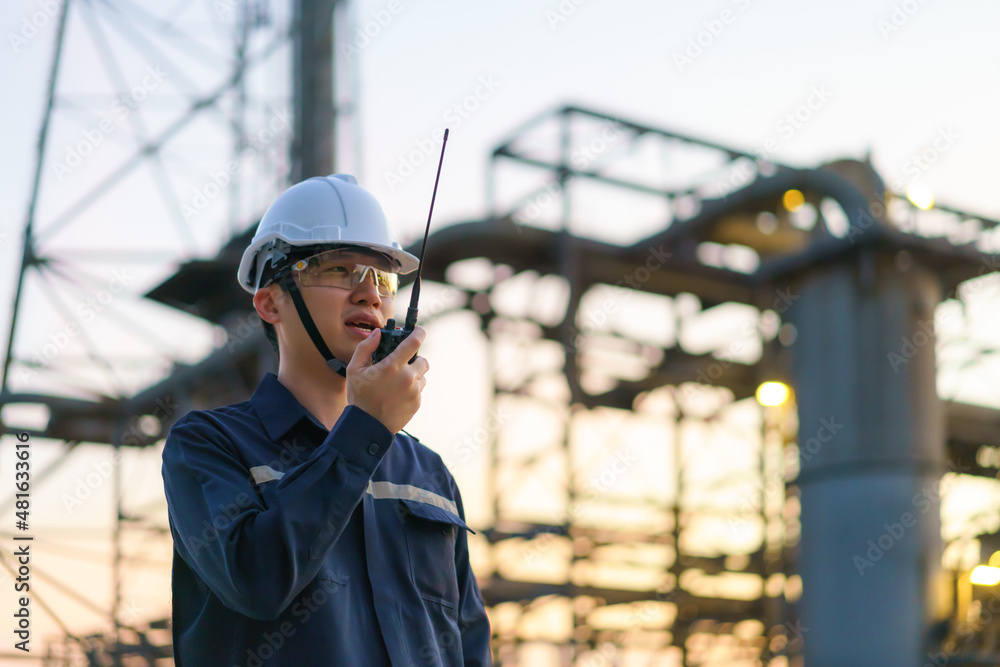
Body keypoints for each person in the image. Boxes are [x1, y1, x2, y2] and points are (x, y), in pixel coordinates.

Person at [161, 174, 492, 666]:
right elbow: (257, 580)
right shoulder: (207, 446)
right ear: (270, 302)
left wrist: (369, 432)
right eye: (339, 269)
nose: (369, 294)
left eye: (382, 278)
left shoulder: (429, 475)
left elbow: (469, 649)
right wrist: (366, 430)